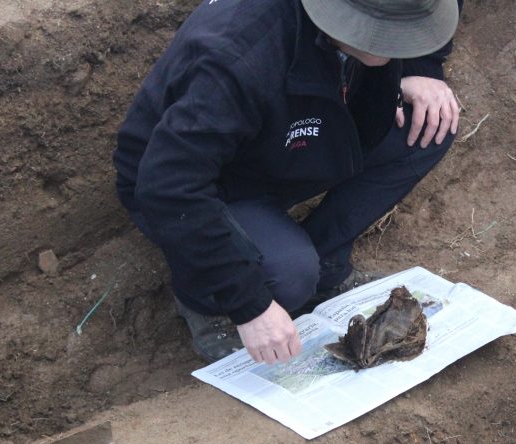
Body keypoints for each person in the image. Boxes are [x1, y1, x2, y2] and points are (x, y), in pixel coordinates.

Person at [113, 0, 461, 363]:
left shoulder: (348, 36)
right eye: (389, 33)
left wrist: (421, 69)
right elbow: (166, 184)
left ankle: (325, 262)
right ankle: (209, 303)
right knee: (289, 276)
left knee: (430, 127)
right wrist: (249, 304)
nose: (400, 43)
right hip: (208, 181)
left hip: (284, 141)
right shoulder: (239, 58)